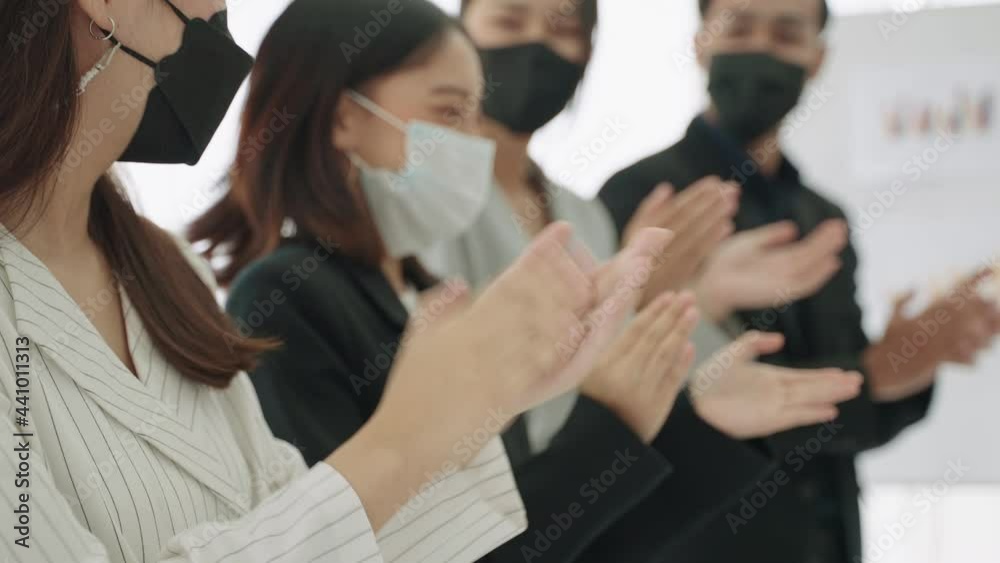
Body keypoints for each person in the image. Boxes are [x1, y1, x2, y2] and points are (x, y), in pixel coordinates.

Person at [0, 0, 642, 561]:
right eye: (450, 113)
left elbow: (295, 520)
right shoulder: (286, 295)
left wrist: (478, 406)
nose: (220, 13)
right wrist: (413, 437)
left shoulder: (168, 270)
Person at [190, 0, 706, 561]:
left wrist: (699, 430)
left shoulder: (436, 297)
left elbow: (521, 529)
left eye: (475, 115)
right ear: (344, 120)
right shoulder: (282, 298)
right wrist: (608, 421)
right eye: (450, 113)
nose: (474, 144)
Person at [419, 0, 865, 560]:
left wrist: (689, 301)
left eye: (563, 29)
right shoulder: (422, 194)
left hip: (588, 515)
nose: (536, 46)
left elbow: (628, 370)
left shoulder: (581, 215)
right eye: (510, 20)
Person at [598, 1, 1000, 562]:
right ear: (700, 42)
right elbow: (643, 412)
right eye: (740, 27)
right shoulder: (645, 195)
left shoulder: (822, 215)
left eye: (786, 34)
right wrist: (874, 374)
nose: (762, 48)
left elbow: (860, 412)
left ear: (817, 59)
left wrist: (916, 355)